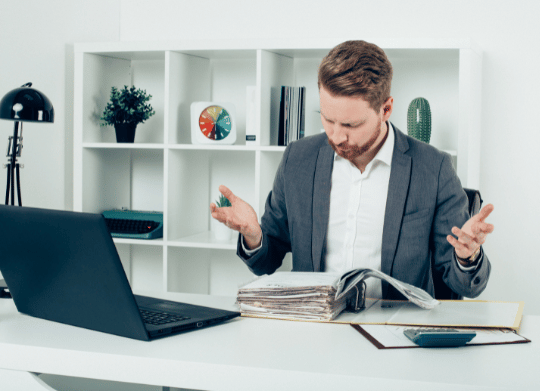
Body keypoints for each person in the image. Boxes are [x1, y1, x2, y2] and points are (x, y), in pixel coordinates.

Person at [210, 40, 494, 300]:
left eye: (350, 125)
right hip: (317, 326)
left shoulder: (433, 168)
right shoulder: (298, 159)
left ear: (386, 109)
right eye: (327, 119)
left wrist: (468, 257)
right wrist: (253, 235)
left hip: (394, 331)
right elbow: (267, 261)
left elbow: (464, 285)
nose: (335, 136)